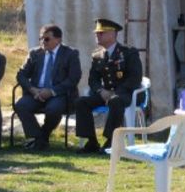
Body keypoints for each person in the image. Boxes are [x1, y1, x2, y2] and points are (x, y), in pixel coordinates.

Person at [75, 18, 142, 154]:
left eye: (101, 33)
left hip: (125, 93)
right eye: (96, 33)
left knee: (115, 101)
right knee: (81, 102)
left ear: (112, 34)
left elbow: (135, 78)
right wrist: (100, 91)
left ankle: (111, 141)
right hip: (104, 93)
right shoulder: (97, 55)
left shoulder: (128, 52)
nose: (97, 36)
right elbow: (93, 80)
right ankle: (91, 141)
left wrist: (115, 92)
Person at [15, 24, 81, 151]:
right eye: (41, 39)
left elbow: (73, 79)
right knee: (21, 105)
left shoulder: (70, 54)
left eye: (46, 39)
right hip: (36, 93)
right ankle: (38, 138)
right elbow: (21, 75)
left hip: (58, 94)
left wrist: (51, 91)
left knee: (54, 109)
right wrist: (32, 89)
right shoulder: (35, 53)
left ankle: (43, 137)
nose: (42, 42)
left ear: (58, 40)